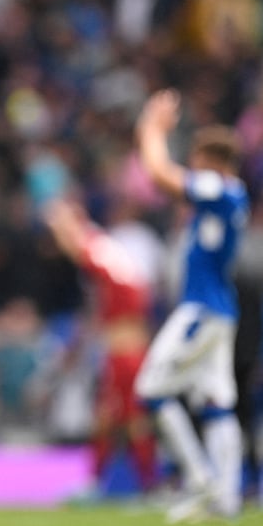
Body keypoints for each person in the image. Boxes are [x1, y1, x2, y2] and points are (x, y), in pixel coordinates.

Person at [132, 89, 249, 523]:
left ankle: (200, 479)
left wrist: (151, 127)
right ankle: (227, 497)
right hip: (220, 309)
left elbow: (160, 174)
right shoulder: (233, 195)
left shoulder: (220, 187)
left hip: (201, 309)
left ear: (210, 160)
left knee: (151, 390)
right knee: (218, 403)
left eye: (196, 160)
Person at [46, 199, 158, 495]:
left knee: (128, 420)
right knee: (115, 418)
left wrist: (62, 225)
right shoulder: (108, 251)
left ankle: (141, 485)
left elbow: (78, 249)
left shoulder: (95, 248)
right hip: (124, 350)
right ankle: (118, 483)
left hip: (126, 354)